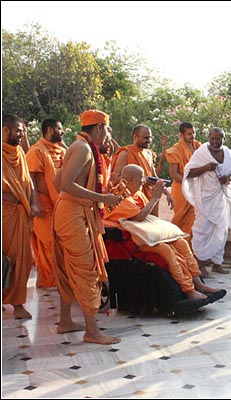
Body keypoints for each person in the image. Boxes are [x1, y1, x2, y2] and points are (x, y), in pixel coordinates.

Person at [52, 109, 121, 344]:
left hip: (72, 212)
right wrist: (102, 199)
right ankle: (92, 332)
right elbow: (66, 186)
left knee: (69, 267)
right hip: (72, 215)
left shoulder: (83, 147)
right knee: (86, 270)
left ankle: (65, 321)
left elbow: (57, 180)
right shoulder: (82, 149)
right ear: (100, 127)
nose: (108, 135)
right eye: (107, 129)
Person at [103, 165, 221, 299]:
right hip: (132, 240)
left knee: (181, 243)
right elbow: (139, 217)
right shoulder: (120, 195)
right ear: (130, 179)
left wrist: (156, 197)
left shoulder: (138, 193)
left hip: (149, 235)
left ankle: (197, 282)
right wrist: (154, 199)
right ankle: (188, 289)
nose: (144, 181)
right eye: (141, 178)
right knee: (166, 250)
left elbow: (150, 216)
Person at [183, 128, 231, 275]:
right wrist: (206, 167)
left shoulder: (229, 154)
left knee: (221, 230)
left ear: (223, 139)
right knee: (202, 230)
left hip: (221, 199)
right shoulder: (201, 153)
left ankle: (217, 264)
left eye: (218, 138)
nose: (215, 141)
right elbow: (189, 173)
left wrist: (228, 178)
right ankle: (200, 265)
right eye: (212, 138)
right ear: (208, 138)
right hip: (205, 199)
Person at [2, 114, 40, 319]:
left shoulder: (20, 154)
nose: (21, 135)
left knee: (23, 260)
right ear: (5, 130)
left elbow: (29, 182)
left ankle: (18, 303)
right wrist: (17, 197)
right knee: (4, 259)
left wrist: (32, 202)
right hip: (4, 215)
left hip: (21, 214)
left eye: (22, 131)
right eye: (18, 131)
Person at [26, 118, 67, 288]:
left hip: (60, 203)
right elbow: (30, 180)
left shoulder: (62, 151)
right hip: (43, 202)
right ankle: (53, 280)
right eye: (59, 129)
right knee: (49, 243)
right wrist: (35, 203)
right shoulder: (36, 151)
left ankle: (50, 280)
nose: (62, 132)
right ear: (49, 130)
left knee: (60, 242)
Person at [111, 124, 173, 215]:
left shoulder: (149, 154)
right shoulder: (125, 153)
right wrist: (141, 180)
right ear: (135, 137)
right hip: (132, 201)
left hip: (149, 199)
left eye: (150, 137)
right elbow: (114, 180)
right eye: (145, 138)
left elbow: (155, 177)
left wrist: (167, 193)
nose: (149, 141)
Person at [166, 122, 201, 239]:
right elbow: (174, 174)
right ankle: (178, 250)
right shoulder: (175, 150)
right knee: (180, 219)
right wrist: (189, 184)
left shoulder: (198, 146)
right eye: (189, 133)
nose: (192, 136)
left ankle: (192, 252)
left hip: (196, 189)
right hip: (181, 190)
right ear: (181, 135)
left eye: (193, 132)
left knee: (195, 221)